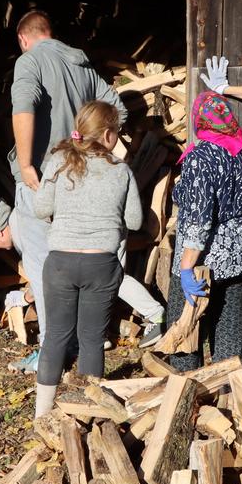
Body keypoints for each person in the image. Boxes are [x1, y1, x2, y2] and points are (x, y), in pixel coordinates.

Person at [6, 10, 127, 372]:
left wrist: (27, 163)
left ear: (23, 38)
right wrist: (95, 154)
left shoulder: (29, 62)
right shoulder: (81, 65)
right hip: (81, 178)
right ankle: (80, 340)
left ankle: (50, 350)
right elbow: (116, 110)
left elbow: (23, 107)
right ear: (50, 32)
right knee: (80, 256)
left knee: (44, 265)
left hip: (42, 178)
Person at [31, 101, 144, 417]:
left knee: (55, 337)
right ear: (108, 135)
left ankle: (42, 415)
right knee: (92, 340)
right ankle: (91, 414)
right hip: (100, 264)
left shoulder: (58, 162)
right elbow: (134, 221)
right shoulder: (119, 170)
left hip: (61, 263)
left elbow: (41, 209)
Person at [163, 91, 242, 372]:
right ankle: (230, 394)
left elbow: (199, 218)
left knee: (186, 329)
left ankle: (187, 391)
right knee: (229, 328)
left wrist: (185, 267)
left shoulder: (199, 158)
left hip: (202, 261)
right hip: (238, 258)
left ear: (199, 120)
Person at [0, 197, 166, 348]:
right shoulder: (23, 220)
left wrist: (26, 298)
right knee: (104, 277)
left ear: (0, 232)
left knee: (109, 277)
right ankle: (97, 337)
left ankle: (156, 316)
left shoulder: (26, 234)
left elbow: (50, 277)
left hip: (101, 227)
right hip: (104, 220)